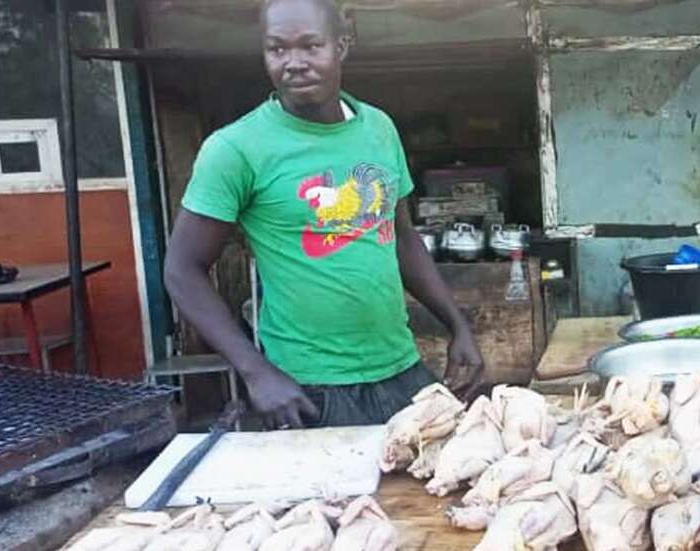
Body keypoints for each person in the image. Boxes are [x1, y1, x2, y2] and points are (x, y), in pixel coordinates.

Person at [164, 0, 485, 430]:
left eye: (311, 46)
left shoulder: (379, 128)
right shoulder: (235, 149)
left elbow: (402, 238)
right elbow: (182, 269)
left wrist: (457, 326)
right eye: (277, 49)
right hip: (310, 388)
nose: (294, 62)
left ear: (342, 46)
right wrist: (256, 372)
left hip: (401, 368)